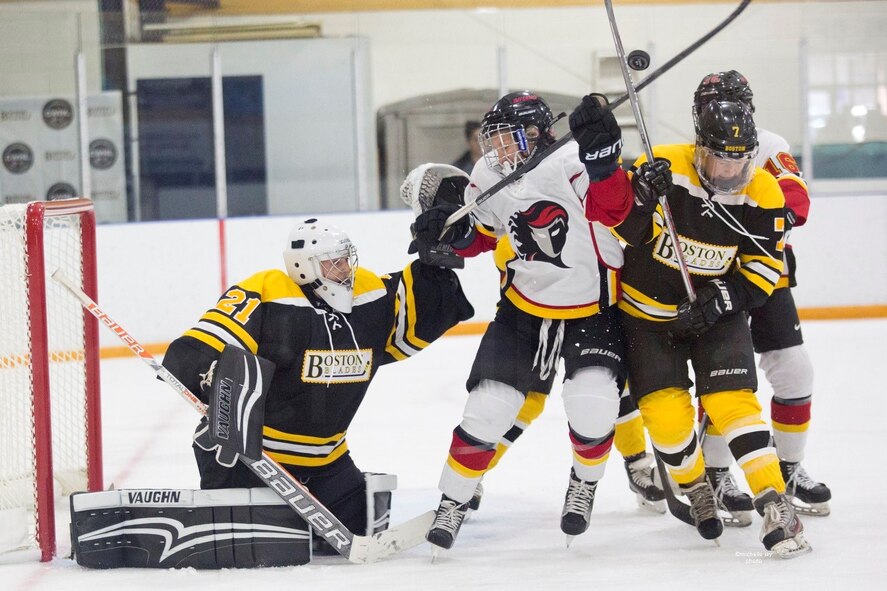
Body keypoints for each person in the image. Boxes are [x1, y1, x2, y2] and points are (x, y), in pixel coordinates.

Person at [409, 90, 637, 552]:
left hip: (592, 309)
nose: (497, 151)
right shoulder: (488, 171)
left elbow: (614, 211)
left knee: (592, 403)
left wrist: (604, 164)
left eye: (506, 140)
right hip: (523, 310)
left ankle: (584, 483)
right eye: (492, 141)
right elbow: (484, 235)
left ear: (537, 134)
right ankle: (452, 501)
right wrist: (449, 233)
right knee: (487, 408)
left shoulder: (571, 160)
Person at [162, 217, 474, 553]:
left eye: (345, 260)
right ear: (303, 266)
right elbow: (203, 343)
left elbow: (418, 310)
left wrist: (433, 268)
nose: (344, 270)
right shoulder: (269, 290)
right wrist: (207, 371)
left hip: (327, 459)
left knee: (346, 534)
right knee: (254, 547)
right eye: (333, 263)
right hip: (256, 457)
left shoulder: (367, 292)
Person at [593, 96, 810, 558]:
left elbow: (764, 268)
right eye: (719, 159)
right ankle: (695, 487)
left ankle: (774, 501)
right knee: (669, 424)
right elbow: (617, 232)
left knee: (733, 403)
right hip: (648, 319)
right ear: (699, 148)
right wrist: (642, 198)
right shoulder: (664, 164)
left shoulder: (763, 192)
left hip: (717, 317)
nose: (730, 172)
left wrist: (723, 299)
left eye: (740, 161)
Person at [692, 70, 831, 520]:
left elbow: (795, 198)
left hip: (766, 276)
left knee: (795, 373)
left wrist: (770, 221)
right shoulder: (693, 149)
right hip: (712, 276)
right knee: (726, 377)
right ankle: (714, 473)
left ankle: (787, 470)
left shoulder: (769, 144)